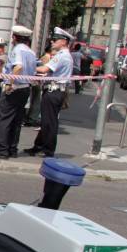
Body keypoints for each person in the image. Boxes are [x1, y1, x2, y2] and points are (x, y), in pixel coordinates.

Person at [0, 26, 38, 160]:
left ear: (15, 37)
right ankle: (12, 149)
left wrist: (9, 82)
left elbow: (18, 67)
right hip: (25, 88)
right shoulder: (31, 52)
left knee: (3, 119)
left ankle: (2, 150)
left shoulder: (17, 49)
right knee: (16, 120)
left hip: (14, 88)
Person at [25, 28, 74, 157]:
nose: (52, 41)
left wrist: (28, 67)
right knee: (46, 121)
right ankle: (38, 146)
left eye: (55, 39)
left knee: (49, 122)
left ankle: (48, 150)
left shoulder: (62, 56)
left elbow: (44, 68)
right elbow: (49, 72)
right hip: (55, 90)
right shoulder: (63, 55)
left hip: (54, 91)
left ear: (64, 41)